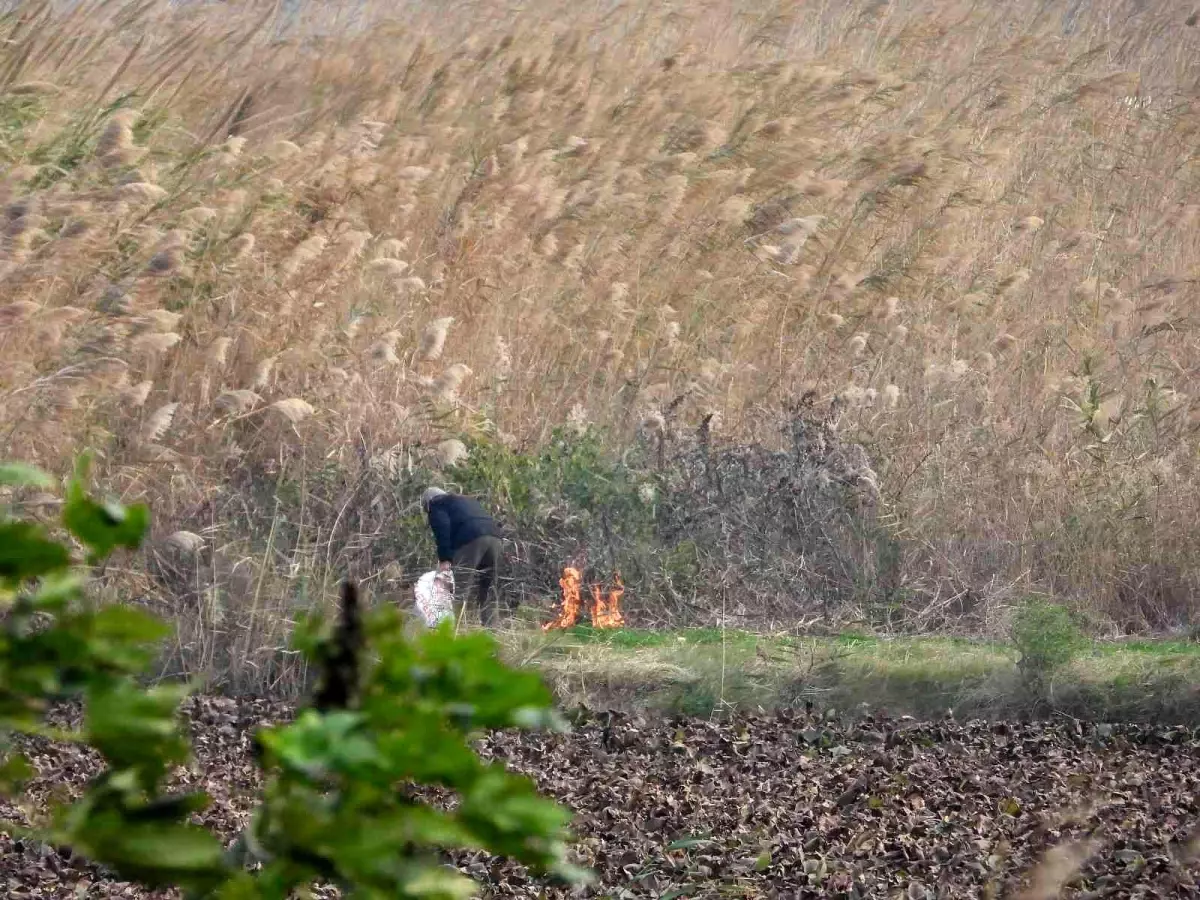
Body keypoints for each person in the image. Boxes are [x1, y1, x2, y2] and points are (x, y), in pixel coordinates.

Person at [421, 487, 508, 626]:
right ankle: (492, 632)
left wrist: (445, 559)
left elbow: (442, 529)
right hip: (495, 538)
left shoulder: (437, 504)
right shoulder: (466, 500)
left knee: (459, 590)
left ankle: (455, 632)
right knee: (489, 589)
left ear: (428, 503)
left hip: (471, 539)